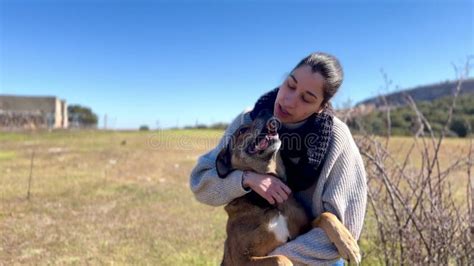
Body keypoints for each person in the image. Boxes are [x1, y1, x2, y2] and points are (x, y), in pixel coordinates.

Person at [189, 52, 367, 265]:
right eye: (290, 85)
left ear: (321, 107)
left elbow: (347, 232)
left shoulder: (337, 139)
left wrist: (278, 257)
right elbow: (202, 183)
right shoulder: (251, 120)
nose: (289, 101)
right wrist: (246, 179)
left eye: (306, 98)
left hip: (314, 257)